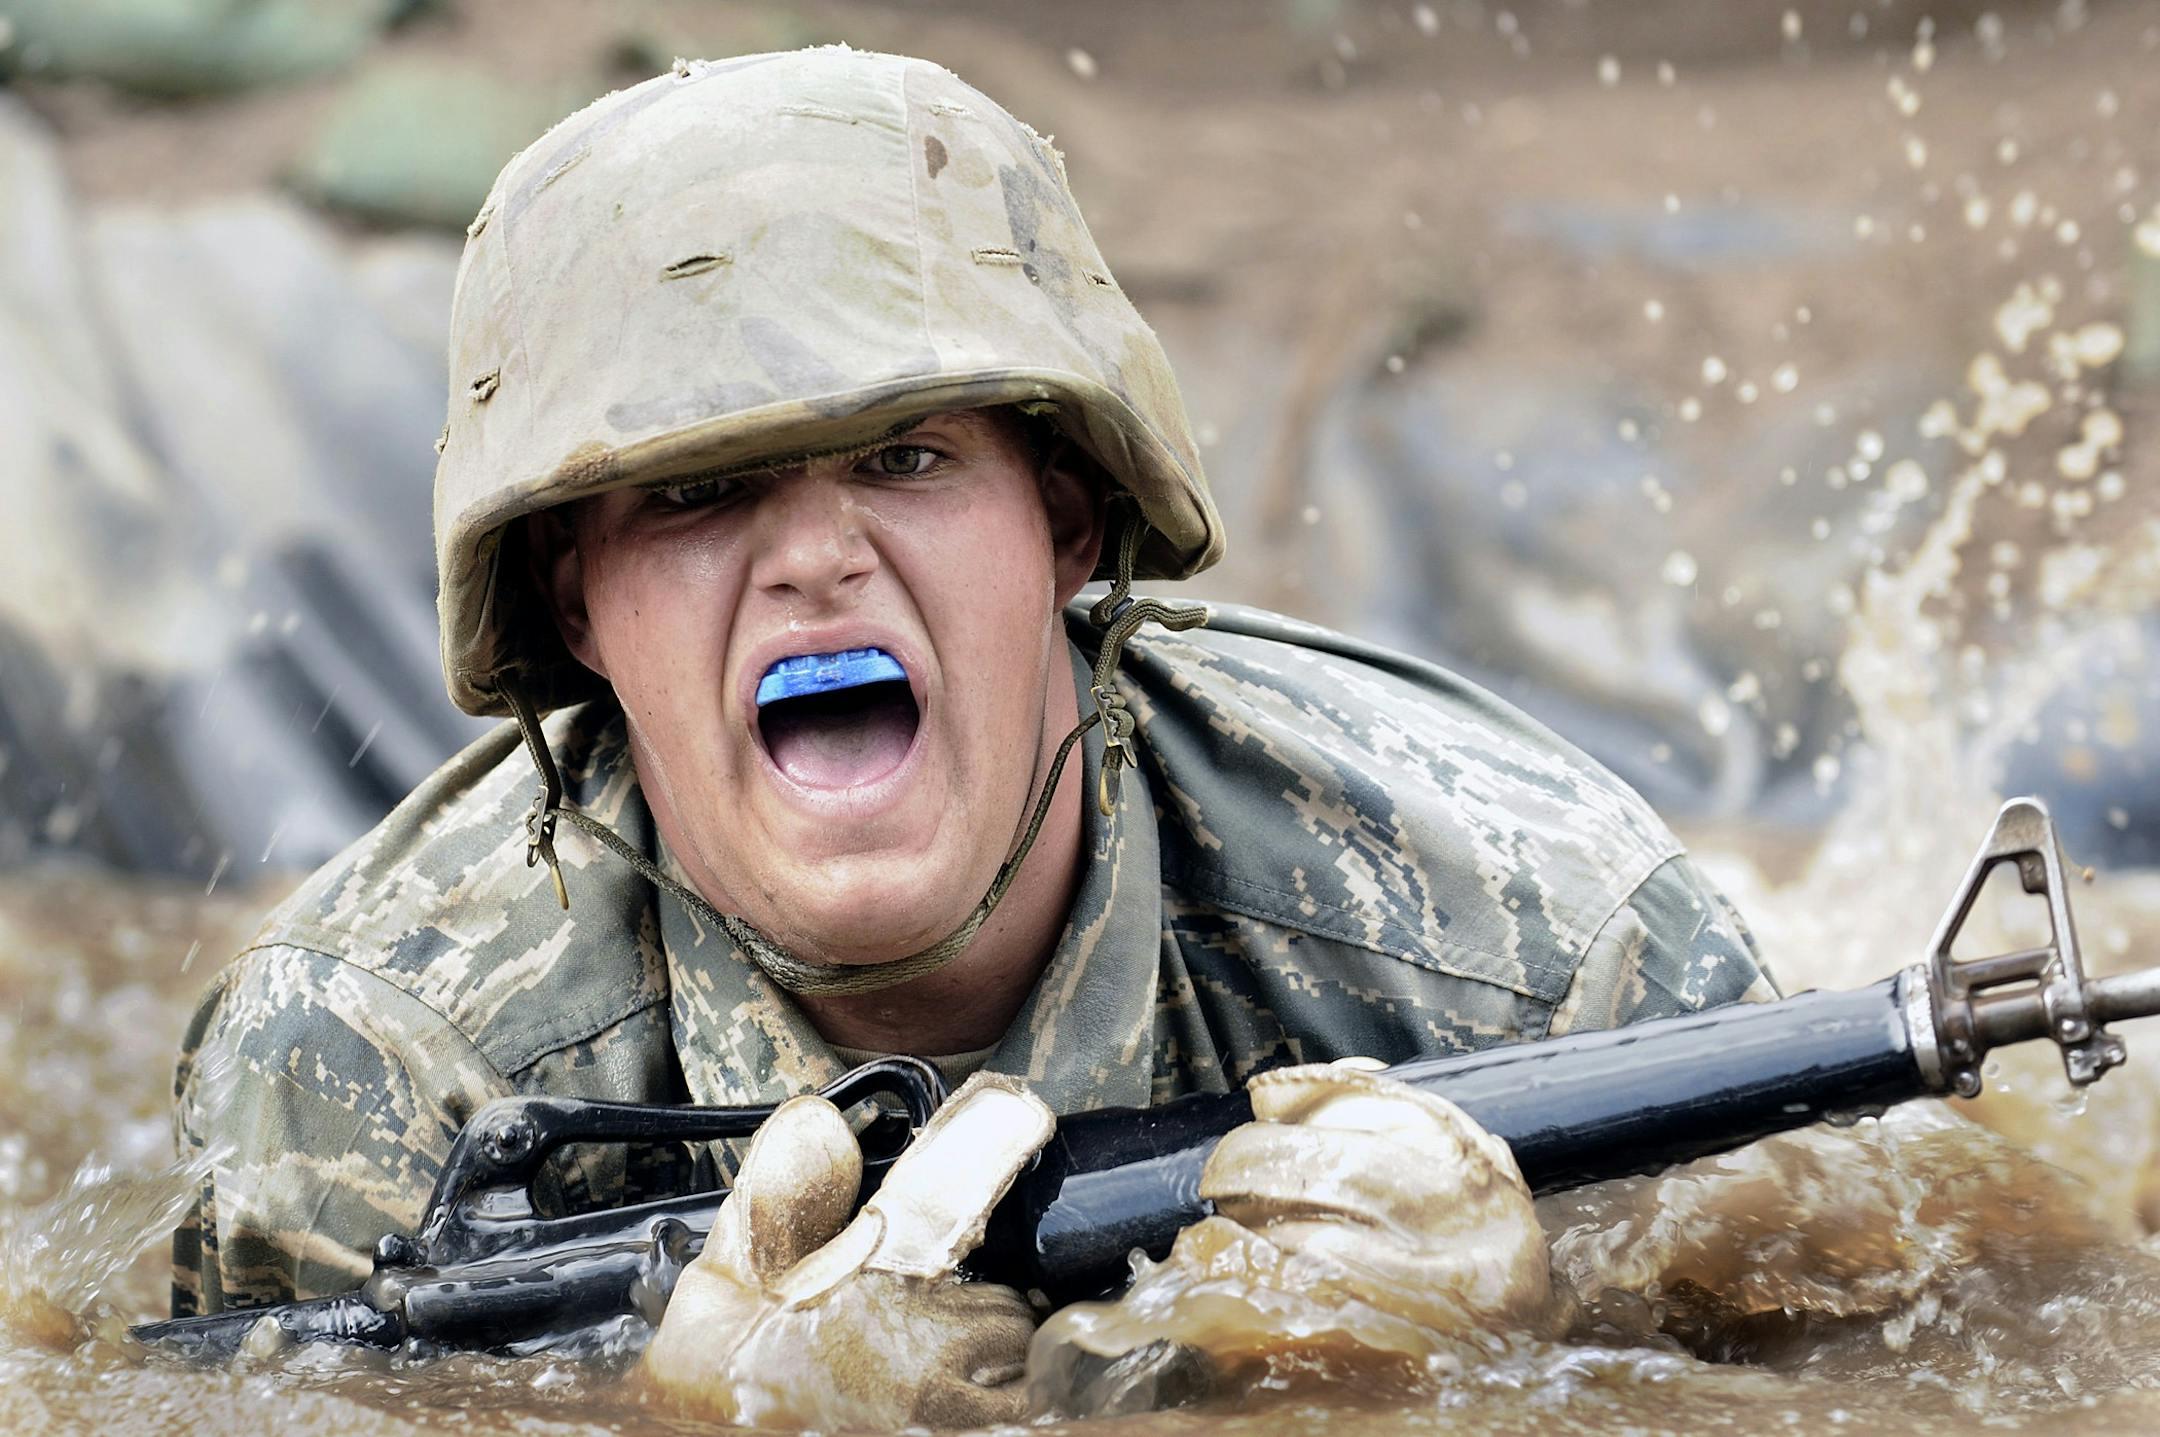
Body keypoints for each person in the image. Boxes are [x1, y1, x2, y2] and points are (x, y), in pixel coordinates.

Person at [168, 45, 1774, 1427]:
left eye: (908, 458)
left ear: (1065, 522)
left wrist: (1542, 1336)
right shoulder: (378, 1063)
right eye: (699, 490)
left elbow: (1962, 1312)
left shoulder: (1528, 950)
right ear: (575, 606)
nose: (815, 557)